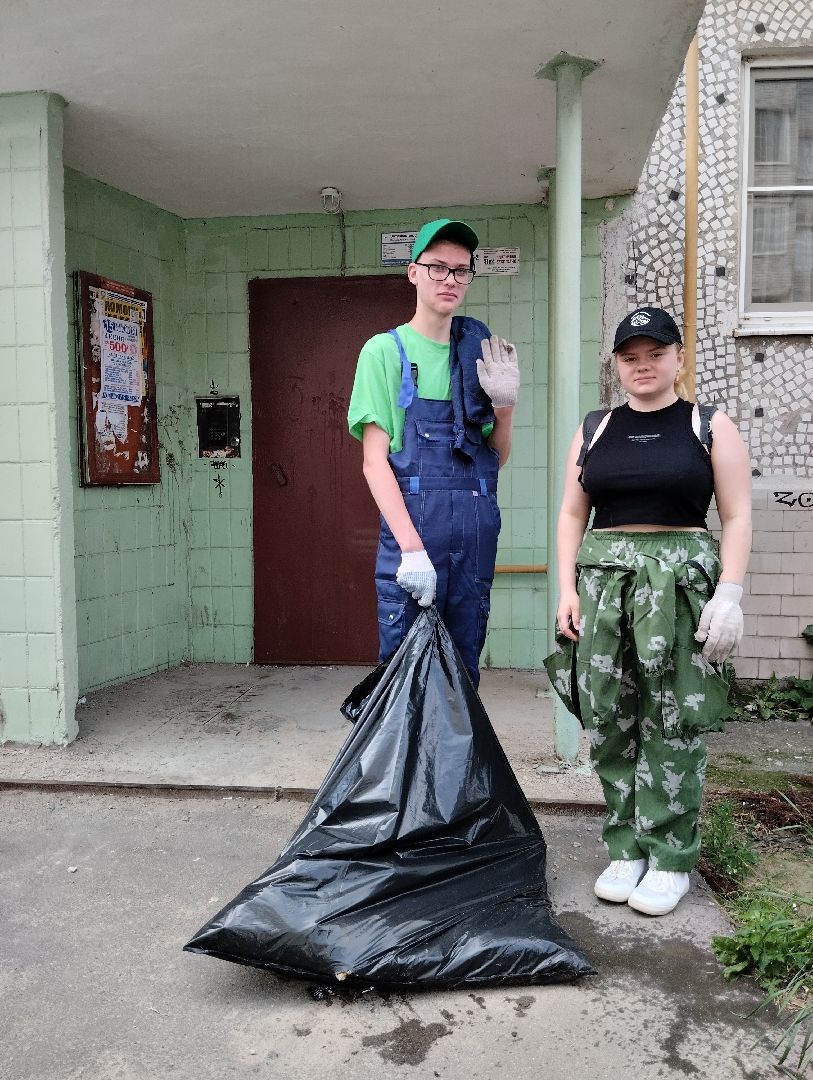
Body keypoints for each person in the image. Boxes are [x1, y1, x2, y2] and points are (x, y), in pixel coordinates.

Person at [544, 306, 752, 916]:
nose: (643, 366)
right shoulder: (596, 427)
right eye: (631, 357)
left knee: (672, 717)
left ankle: (669, 857)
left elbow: (736, 515)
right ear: (617, 364)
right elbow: (570, 514)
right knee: (609, 716)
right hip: (605, 583)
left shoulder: (708, 425)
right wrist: (567, 588)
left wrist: (730, 593)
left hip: (678, 586)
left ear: (677, 358)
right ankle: (625, 846)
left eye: (656, 354)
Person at [347, 218, 520, 687]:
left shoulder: (476, 355)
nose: (450, 280)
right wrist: (411, 549)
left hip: (474, 542)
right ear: (413, 273)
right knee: (406, 679)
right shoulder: (385, 352)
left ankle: (455, 765)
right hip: (416, 538)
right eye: (438, 268)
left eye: (462, 271)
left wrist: (504, 409)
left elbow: (494, 460)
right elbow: (373, 461)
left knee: (462, 675)